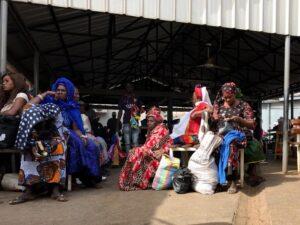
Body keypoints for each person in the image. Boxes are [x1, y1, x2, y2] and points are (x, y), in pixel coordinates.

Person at [28, 77, 102, 187]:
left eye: (63, 90)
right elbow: (30, 104)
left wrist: (82, 136)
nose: (60, 92)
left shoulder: (72, 107)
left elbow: (76, 128)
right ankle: (68, 179)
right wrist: (47, 93)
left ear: (68, 92)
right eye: (58, 90)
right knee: (76, 145)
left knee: (92, 146)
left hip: (69, 132)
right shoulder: (48, 101)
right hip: (51, 133)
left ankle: (89, 179)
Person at [10, 103, 68, 204]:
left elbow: (56, 138)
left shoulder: (50, 124)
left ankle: (55, 190)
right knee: (27, 157)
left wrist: (49, 146)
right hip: (34, 147)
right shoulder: (28, 123)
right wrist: (34, 147)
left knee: (59, 149)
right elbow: (24, 142)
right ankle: (29, 191)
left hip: (48, 146)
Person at [212, 82, 265, 193]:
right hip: (222, 134)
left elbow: (251, 124)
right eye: (225, 97)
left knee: (232, 144)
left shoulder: (243, 105)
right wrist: (214, 116)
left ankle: (233, 181)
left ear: (235, 93)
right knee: (212, 144)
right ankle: (217, 179)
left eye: (229, 97)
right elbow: (214, 122)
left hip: (239, 135)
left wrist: (239, 120)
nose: (226, 100)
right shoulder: (219, 106)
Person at [119, 107, 172, 191]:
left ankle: (135, 181)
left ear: (157, 121)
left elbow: (152, 146)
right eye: (148, 121)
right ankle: (132, 181)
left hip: (161, 159)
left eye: (151, 121)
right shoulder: (153, 130)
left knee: (136, 152)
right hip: (154, 155)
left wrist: (138, 149)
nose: (148, 123)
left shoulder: (161, 130)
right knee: (135, 152)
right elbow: (149, 147)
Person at [117, 83, 143, 152]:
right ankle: (128, 159)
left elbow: (141, 110)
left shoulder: (137, 97)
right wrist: (117, 123)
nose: (129, 88)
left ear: (133, 88)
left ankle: (135, 159)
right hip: (126, 122)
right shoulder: (123, 98)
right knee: (127, 143)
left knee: (135, 142)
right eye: (127, 87)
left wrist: (137, 120)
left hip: (134, 122)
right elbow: (120, 111)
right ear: (125, 88)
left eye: (130, 87)